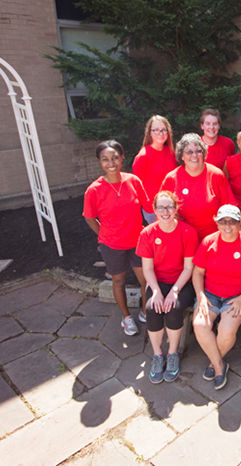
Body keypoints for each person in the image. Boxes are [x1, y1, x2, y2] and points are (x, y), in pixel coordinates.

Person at [192, 205, 241, 390]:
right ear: (217, 223)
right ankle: (219, 366)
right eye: (223, 221)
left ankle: (213, 365)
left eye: (232, 222)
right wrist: (200, 295)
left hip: (239, 295)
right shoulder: (209, 242)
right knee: (200, 325)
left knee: (226, 330)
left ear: (240, 224)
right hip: (210, 293)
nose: (227, 226)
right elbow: (198, 272)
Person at [83, 140, 149, 336]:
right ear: (100, 162)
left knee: (145, 280)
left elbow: (147, 207)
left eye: (114, 158)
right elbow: (89, 218)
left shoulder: (133, 181)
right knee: (118, 281)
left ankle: (146, 312)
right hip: (112, 245)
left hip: (138, 242)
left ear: (122, 158)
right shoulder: (94, 190)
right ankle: (127, 318)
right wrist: (104, 234)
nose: (110, 162)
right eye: (105, 159)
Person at [136, 191, 198, 384]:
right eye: (161, 207)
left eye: (169, 207)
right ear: (154, 210)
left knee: (174, 309)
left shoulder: (187, 232)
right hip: (157, 282)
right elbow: (147, 268)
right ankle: (157, 355)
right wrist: (155, 292)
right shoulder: (147, 234)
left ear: (176, 208)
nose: (165, 211)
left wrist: (174, 292)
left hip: (181, 282)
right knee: (152, 309)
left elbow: (189, 268)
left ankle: (172, 354)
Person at [160, 133, 237, 241]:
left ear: (204, 153)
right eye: (189, 152)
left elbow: (230, 209)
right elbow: (161, 212)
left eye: (198, 151)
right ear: (182, 156)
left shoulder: (216, 175)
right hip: (182, 240)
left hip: (212, 240)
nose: (194, 155)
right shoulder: (171, 179)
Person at [132, 115, 178, 224]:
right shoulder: (143, 156)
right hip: (154, 210)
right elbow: (137, 187)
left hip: (172, 206)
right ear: (149, 133)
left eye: (163, 130)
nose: (160, 133)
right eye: (156, 130)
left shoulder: (170, 151)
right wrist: (150, 207)